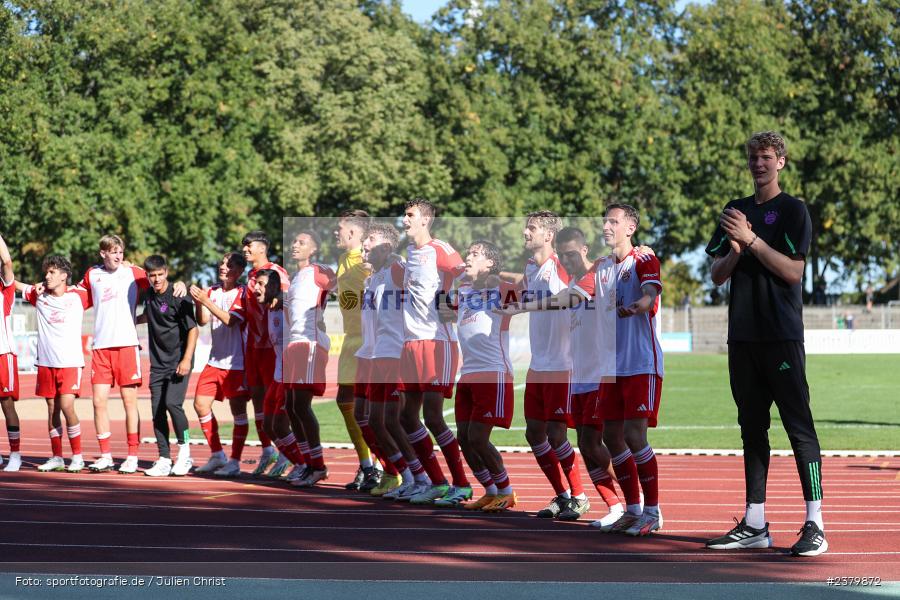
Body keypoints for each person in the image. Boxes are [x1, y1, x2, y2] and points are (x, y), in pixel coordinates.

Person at [705, 131, 826, 557]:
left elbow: (793, 272)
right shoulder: (734, 211)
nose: (759, 163)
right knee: (751, 431)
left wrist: (753, 241)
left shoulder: (793, 210)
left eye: (767, 157)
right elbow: (718, 274)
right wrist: (737, 247)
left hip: (781, 336)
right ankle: (755, 522)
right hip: (742, 338)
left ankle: (815, 522)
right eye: (754, 157)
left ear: (782, 162)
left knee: (799, 430)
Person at [78, 234, 185, 473]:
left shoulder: (133, 273)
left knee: (129, 402)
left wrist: (180, 284)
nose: (118, 256)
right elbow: (75, 298)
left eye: (120, 251)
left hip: (126, 345)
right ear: (103, 253)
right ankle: (105, 455)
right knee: (98, 402)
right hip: (101, 348)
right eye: (113, 251)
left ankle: (132, 456)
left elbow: (161, 284)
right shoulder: (91, 274)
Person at [397, 199, 472, 506]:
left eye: (410, 215)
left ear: (425, 220)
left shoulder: (440, 248)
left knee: (433, 416)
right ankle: (436, 482)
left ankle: (462, 483)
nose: (404, 219)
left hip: (436, 342)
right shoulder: (410, 254)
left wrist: (453, 302)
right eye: (405, 214)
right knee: (406, 417)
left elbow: (468, 276)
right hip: (410, 344)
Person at [439, 240, 518, 511]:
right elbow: (444, 312)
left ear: (490, 264)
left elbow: (530, 282)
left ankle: (506, 490)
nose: (468, 257)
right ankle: (491, 489)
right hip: (468, 373)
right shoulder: (464, 291)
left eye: (476, 254)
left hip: (493, 371)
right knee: (464, 437)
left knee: (478, 437)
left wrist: (499, 275)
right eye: (469, 253)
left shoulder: (502, 289)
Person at [555, 227, 624, 526]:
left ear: (584, 250)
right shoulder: (570, 278)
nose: (567, 260)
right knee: (585, 444)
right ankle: (615, 506)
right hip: (578, 376)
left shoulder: (598, 270)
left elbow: (624, 256)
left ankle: (640, 502)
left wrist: (522, 307)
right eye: (563, 255)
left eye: (572, 254)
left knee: (597, 443)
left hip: (599, 375)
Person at [521, 211, 588, 519]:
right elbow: (522, 288)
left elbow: (586, 280)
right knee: (534, 433)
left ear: (548, 235)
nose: (524, 231)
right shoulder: (530, 268)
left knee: (557, 434)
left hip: (563, 363)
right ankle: (561, 495)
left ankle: (579, 495)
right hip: (538, 364)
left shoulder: (561, 266)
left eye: (531, 227)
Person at [359, 223, 422, 498]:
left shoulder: (397, 269)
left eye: (369, 240)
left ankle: (420, 477)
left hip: (397, 354)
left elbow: (421, 284)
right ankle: (405, 475)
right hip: (377, 355)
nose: (364, 245)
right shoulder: (373, 278)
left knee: (394, 421)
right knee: (375, 421)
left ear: (386, 246)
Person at [20, 256, 91, 472]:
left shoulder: (80, 295)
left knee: (67, 406)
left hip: (70, 363)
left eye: (51, 272)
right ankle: (57, 457)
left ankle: (77, 456)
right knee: (52, 409)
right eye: (46, 272)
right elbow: (12, 283)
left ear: (64, 275)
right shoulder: (38, 295)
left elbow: (105, 285)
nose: (47, 276)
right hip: (46, 363)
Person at [189, 252, 251, 477]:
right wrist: (199, 303)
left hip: (237, 363)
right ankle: (217, 454)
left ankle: (234, 461)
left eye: (230, 265)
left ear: (240, 271)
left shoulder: (243, 292)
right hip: (215, 361)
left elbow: (231, 320)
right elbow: (203, 320)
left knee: (239, 413)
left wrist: (205, 301)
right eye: (222, 263)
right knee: (200, 404)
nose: (223, 267)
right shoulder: (212, 290)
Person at [284, 231, 336, 488]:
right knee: (291, 407)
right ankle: (306, 463)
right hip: (294, 344)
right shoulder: (295, 277)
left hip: (310, 343)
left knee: (302, 406)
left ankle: (318, 466)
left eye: (302, 242)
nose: (295, 244)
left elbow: (343, 286)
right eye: (295, 241)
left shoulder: (320, 270)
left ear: (314, 249)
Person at [138, 256, 198, 476]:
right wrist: (129, 320)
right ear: (147, 276)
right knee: (157, 412)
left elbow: (193, 329)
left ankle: (185, 452)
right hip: (157, 364)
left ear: (166, 272)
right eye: (152, 275)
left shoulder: (178, 295)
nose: (156, 279)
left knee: (173, 404)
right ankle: (164, 458)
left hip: (178, 362)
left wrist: (186, 359)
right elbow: (150, 315)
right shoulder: (149, 295)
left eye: (160, 274)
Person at [333, 210, 381, 490]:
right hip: (351, 339)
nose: (335, 232)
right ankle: (367, 465)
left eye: (339, 228)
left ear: (352, 232)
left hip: (369, 341)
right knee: (346, 403)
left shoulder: (366, 263)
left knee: (372, 409)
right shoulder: (342, 260)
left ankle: (387, 467)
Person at [241, 231, 290, 476]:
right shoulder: (250, 276)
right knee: (258, 398)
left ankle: (286, 452)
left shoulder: (276, 273)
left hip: (272, 346)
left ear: (262, 247)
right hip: (254, 345)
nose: (245, 249)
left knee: (278, 400)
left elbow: (285, 303)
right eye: (244, 246)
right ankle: (267, 449)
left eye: (249, 245)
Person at [0, 233, 22, 472]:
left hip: (3, 353)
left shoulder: (5, 288)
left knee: (7, 406)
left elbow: (7, 262)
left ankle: (15, 454)